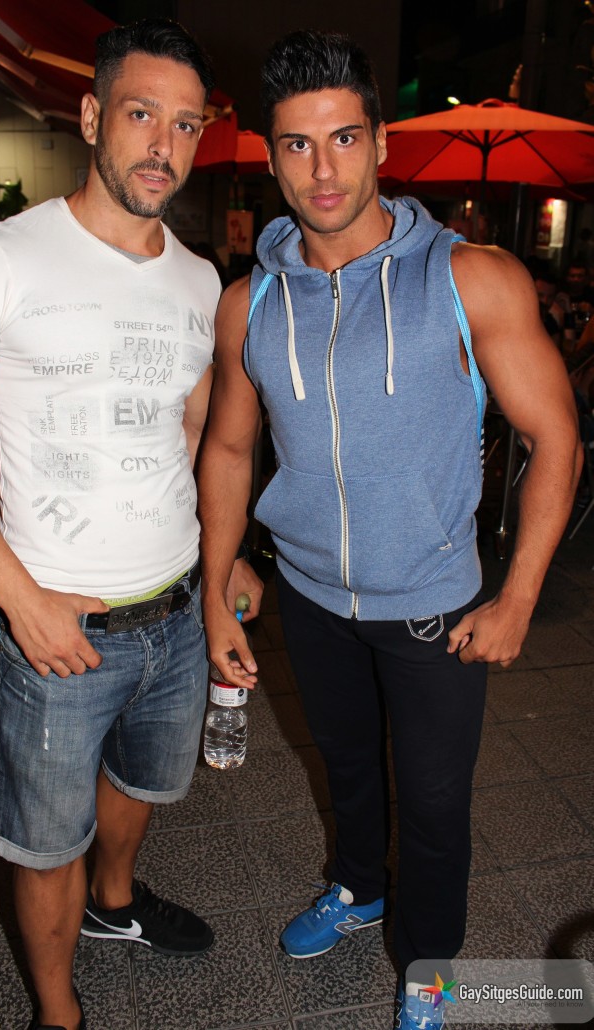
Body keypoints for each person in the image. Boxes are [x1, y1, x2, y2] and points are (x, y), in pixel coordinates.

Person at [196, 29, 581, 1030]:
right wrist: (217, 580)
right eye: (297, 144)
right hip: (311, 598)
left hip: (433, 605)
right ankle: (358, 887)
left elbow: (555, 437)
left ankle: (431, 977)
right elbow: (229, 450)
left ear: (379, 144)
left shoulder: (469, 277)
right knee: (348, 770)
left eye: (343, 138)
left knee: (437, 809)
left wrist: (518, 596)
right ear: (271, 155)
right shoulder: (249, 303)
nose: (322, 169)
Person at [0, 18, 261, 1030]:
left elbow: (194, 441)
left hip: (176, 612)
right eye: (143, 114)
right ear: (95, 115)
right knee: (44, 842)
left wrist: (224, 568)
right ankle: (58, 1015)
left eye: (185, 124)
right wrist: (22, 604)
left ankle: (115, 904)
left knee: (141, 785)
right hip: (58, 627)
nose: (163, 144)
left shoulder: (198, 279)